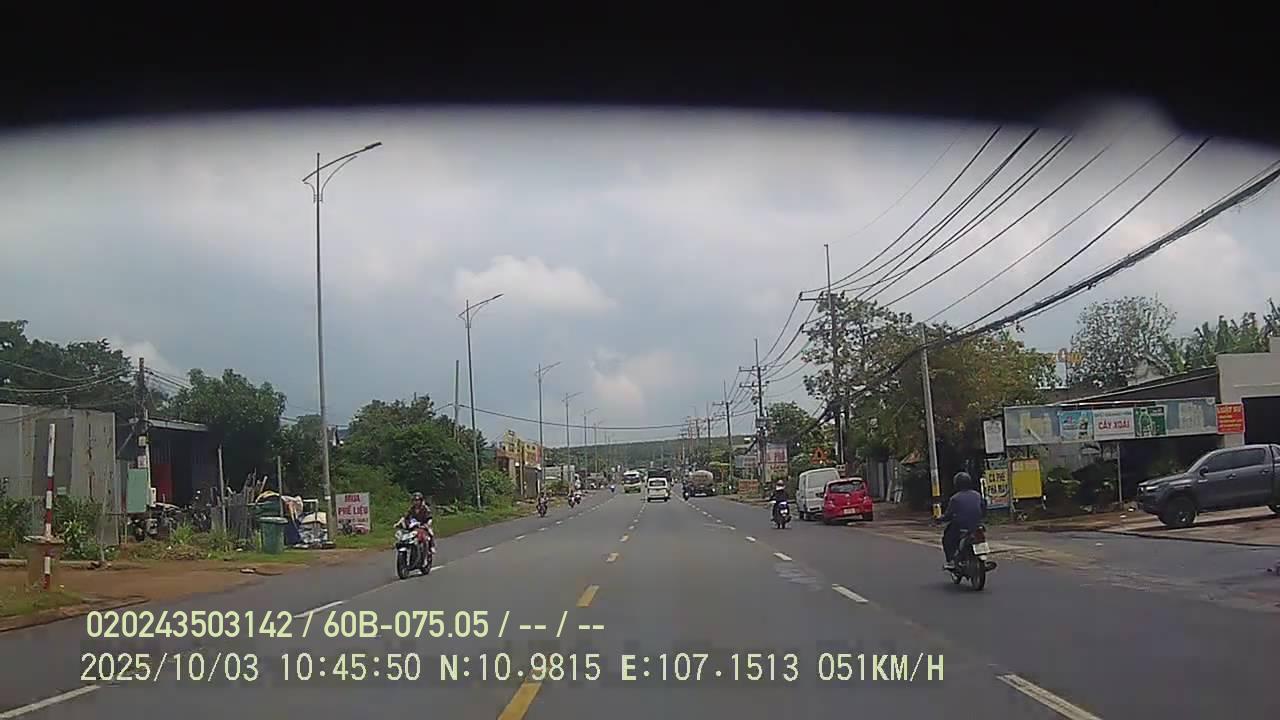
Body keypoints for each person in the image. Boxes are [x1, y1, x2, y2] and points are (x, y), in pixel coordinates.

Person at [939, 472, 985, 570]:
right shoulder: (977, 495)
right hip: (977, 524)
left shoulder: (955, 498)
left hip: (961, 526)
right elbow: (984, 508)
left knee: (947, 538)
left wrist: (940, 518)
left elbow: (948, 515)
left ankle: (951, 561)